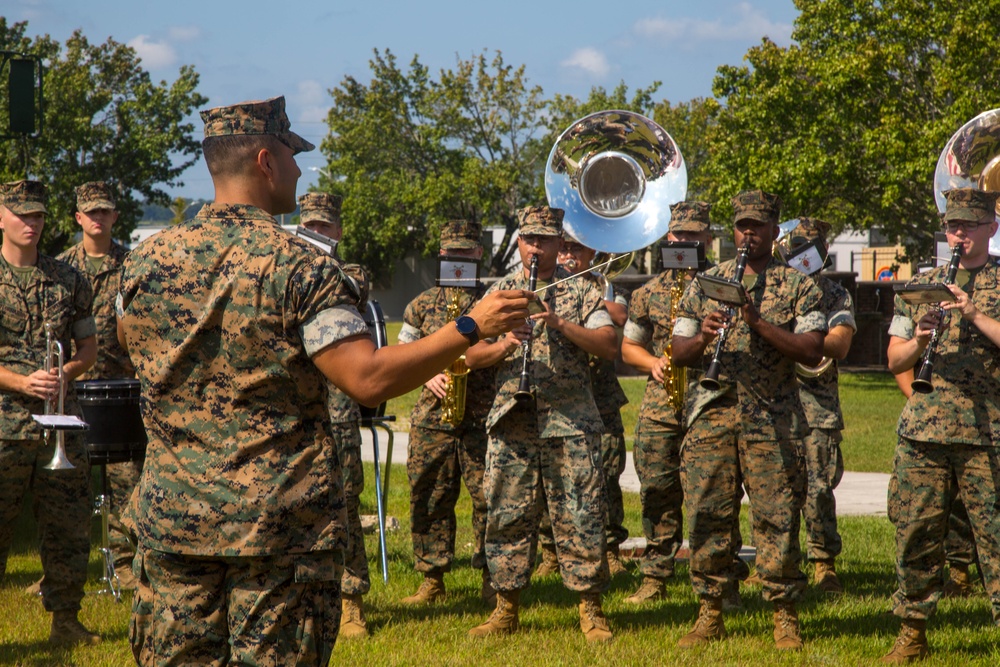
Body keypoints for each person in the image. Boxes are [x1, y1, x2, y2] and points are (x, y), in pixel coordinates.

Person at [116, 96, 532, 666]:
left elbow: (129, 349)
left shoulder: (143, 262)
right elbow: (366, 379)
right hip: (275, 533)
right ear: (265, 160)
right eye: (292, 155)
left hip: (173, 522)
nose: (298, 169)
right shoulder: (302, 266)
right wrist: (470, 325)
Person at [672, 190, 826, 652]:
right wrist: (703, 336)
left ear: (775, 230)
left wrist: (756, 322)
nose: (749, 233)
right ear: (732, 229)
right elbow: (678, 354)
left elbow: (812, 349)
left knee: (777, 518)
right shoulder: (704, 283)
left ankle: (784, 615)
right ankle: (711, 612)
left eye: (758, 225)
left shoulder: (800, 284)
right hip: (712, 418)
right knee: (707, 514)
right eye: (742, 225)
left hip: (772, 420)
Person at [465, 205, 618, 643]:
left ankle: (591, 610)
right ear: (519, 243)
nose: (536, 247)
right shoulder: (501, 292)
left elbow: (609, 345)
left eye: (545, 239)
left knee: (581, 514)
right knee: (507, 514)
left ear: (558, 243)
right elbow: (469, 354)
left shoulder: (584, 290)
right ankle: (505, 608)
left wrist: (559, 322)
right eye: (530, 239)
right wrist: (507, 344)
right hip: (513, 419)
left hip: (570, 420)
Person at [882, 188, 1000, 663]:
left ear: (991, 228)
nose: (960, 234)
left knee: (995, 537)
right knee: (916, 533)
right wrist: (921, 339)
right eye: (954, 226)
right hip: (924, 431)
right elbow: (894, 358)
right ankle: (912, 632)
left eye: (970, 226)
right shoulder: (922, 284)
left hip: (987, 432)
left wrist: (972, 313)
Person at [0, 179, 99, 646]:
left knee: (68, 527)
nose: (32, 224)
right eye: (22, 214)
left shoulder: (69, 278)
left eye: (38, 215)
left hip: (60, 422)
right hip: (4, 426)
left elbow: (88, 348)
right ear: (1, 216)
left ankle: (66, 620)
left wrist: (68, 373)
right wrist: (20, 381)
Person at [397, 220, 496, 606]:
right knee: (429, 496)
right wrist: (428, 374)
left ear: (478, 254)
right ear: (441, 256)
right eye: (451, 255)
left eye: (465, 254)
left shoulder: (492, 301)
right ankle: (432, 579)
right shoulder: (420, 305)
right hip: (432, 417)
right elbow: (402, 356)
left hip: (481, 417)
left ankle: (493, 578)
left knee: (489, 499)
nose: (458, 260)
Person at [619, 201, 713, 603]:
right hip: (661, 403)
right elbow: (628, 346)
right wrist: (653, 362)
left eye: (693, 235)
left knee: (711, 490)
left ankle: (715, 576)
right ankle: (655, 574)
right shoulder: (647, 292)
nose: (684, 241)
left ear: (707, 238)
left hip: (709, 400)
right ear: (667, 238)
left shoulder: (721, 284)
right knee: (656, 487)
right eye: (678, 235)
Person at [56, 180, 140, 589]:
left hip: (123, 391)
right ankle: (62, 572)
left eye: (104, 211)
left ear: (115, 217)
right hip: (74, 391)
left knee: (127, 484)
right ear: (78, 218)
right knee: (67, 489)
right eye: (91, 212)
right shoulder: (62, 269)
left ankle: (125, 565)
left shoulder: (134, 264)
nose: (98, 218)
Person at [296, 191, 372, 638]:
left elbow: (349, 293)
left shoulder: (350, 273)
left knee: (343, 501)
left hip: (337, 406)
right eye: (310, 226)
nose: (317, 234)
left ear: (338, 232)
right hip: (293, 403)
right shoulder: (284, 268)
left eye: (324, 227)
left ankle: (351, 601)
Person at [533, 232, 629, 578]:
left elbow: (618, 318)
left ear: (592, 253)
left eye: (578, 249)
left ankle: (610, 548)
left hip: (600, 396)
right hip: (561, 397)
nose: (569, 255)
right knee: (552, 476)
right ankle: (550, 551)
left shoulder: (600, 286)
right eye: (565, 248)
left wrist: (595, 292)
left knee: (606, 473)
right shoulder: (547, 286)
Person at [777, 218, 856, 594]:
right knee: (776, 488)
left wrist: (798, 339)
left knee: (819, 489)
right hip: (777, 404)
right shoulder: (774, 291)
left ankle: (824, 563)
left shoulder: (835, 294)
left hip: (818, 407)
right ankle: (779, 561)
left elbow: (840, 344)